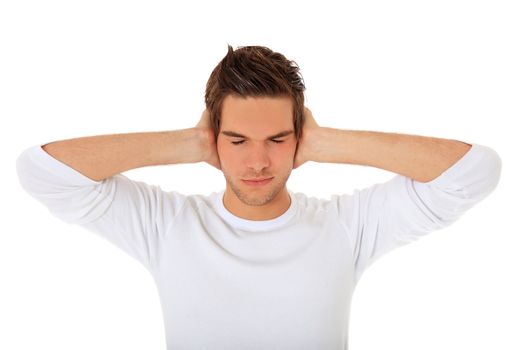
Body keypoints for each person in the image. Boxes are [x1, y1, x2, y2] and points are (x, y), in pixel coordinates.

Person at [16, 44, 502, 350]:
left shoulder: (347, 225)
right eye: (237, 141)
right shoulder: (165, 224)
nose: (257, 163)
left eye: (276, 140)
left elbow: (475, 172)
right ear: (213, 137)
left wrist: (327, 141)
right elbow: (42, 172)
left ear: (298, 138)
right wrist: (188, 142)